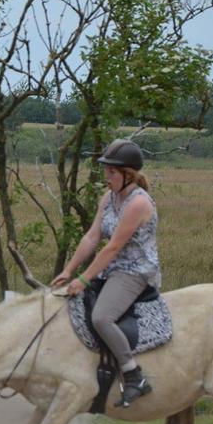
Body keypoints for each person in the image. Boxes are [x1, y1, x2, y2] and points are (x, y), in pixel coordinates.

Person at [52, 138, 160, 408]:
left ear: (128, 174)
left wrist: (83, 279)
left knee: (101, 317)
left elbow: (112, 248)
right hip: (111, 270)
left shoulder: (138, 203)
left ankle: (134, 375)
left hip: (135, 272)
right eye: (106, 171)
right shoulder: (109, 198)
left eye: (111, 172)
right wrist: (68, 270)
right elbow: (92, 237)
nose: (106, 176)